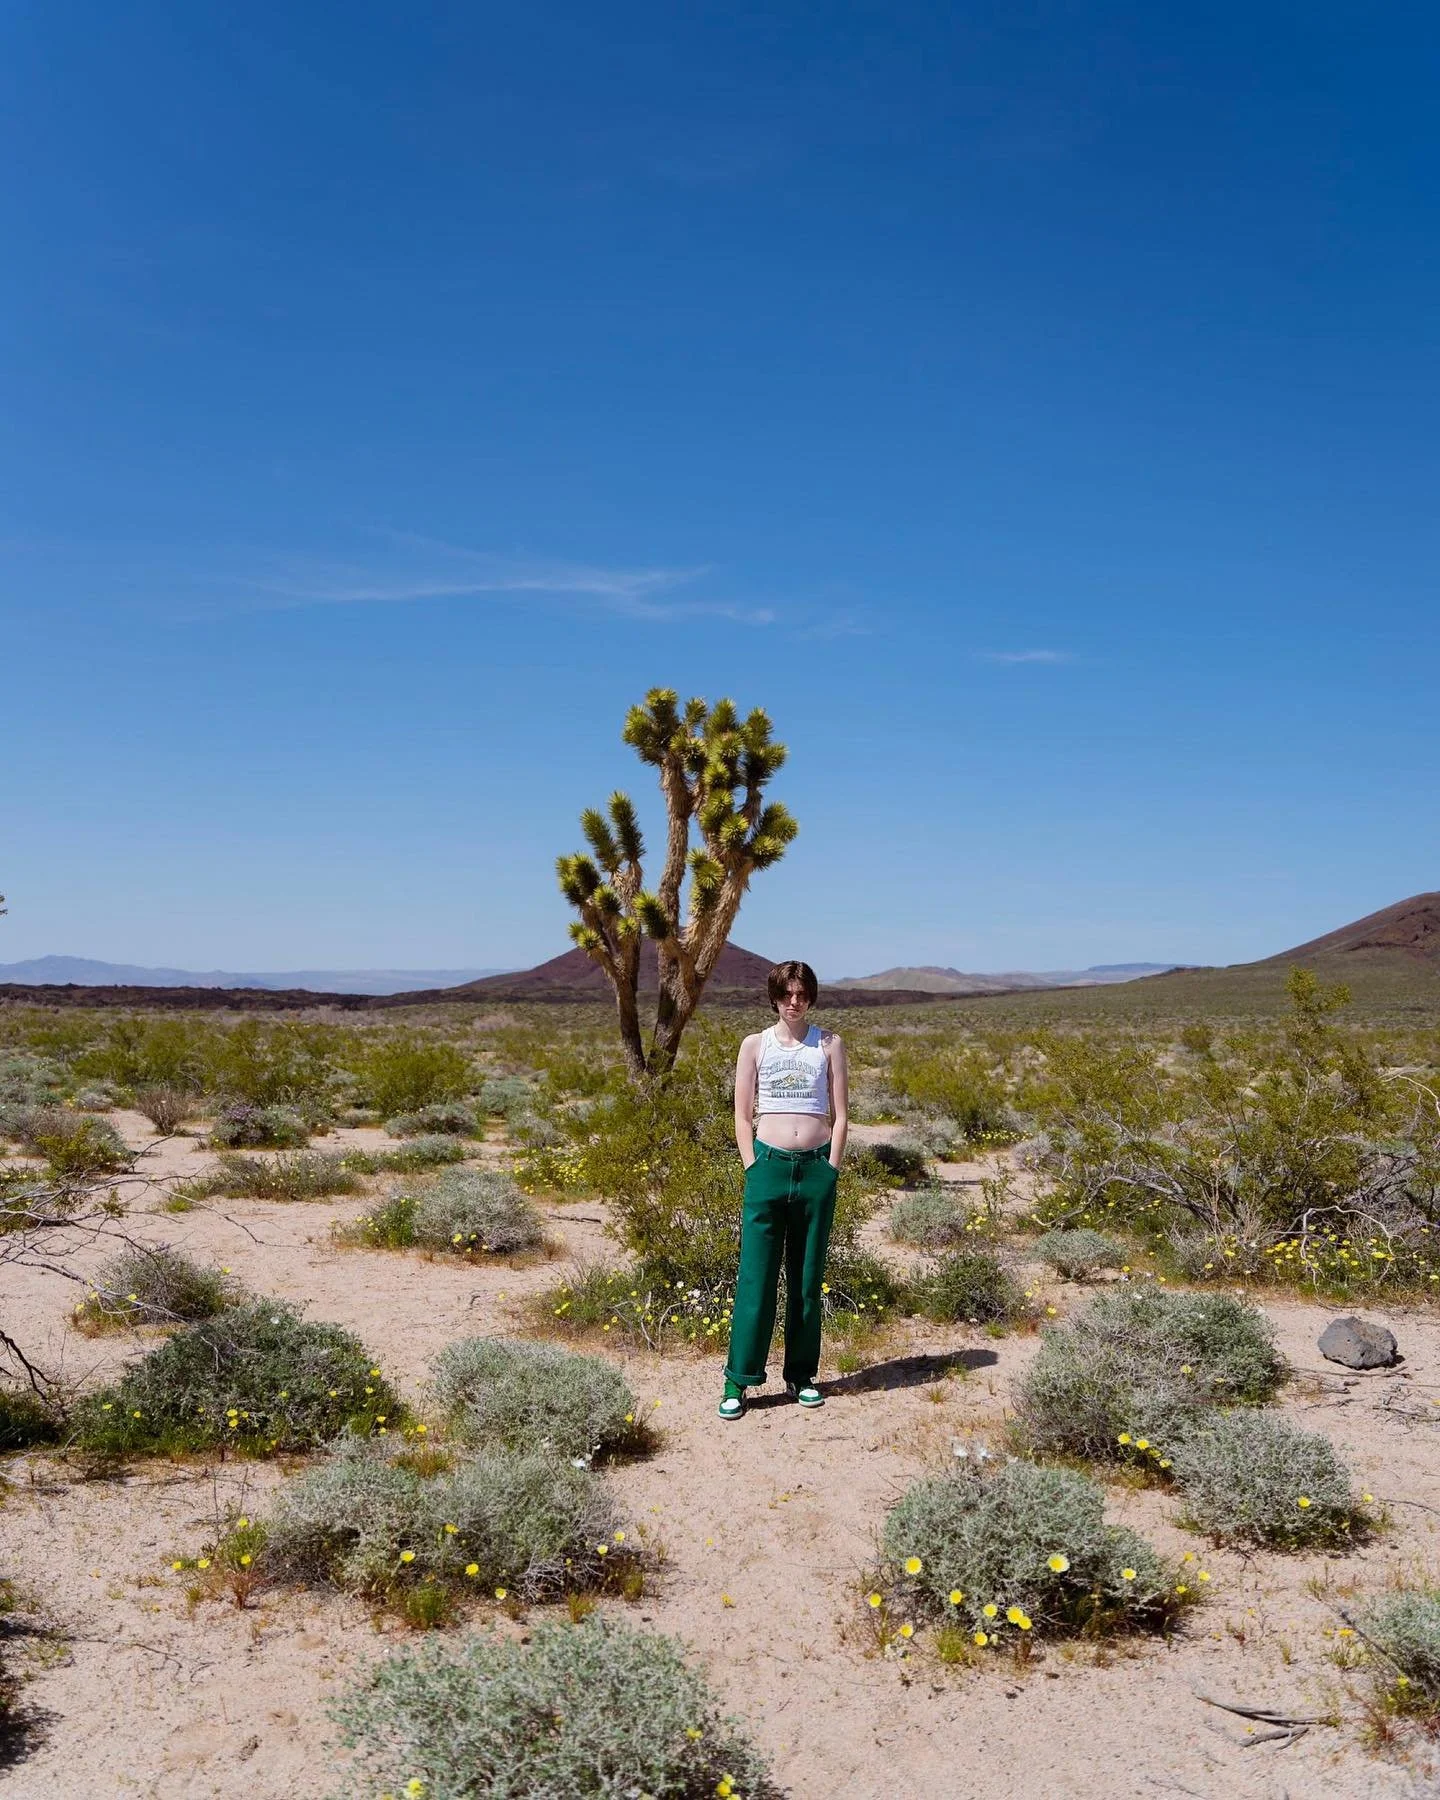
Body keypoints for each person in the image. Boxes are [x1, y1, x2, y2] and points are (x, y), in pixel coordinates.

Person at [718, 959, 849, 1420]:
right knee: (756, 1277)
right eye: (787, 994)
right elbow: (741, 1113)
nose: (794, 1002)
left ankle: (801, 1375)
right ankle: (739, 1380)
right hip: (768, 1168)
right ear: (774, 997)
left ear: (811, 996)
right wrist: (752, 1165)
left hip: (815, 1170)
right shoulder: (755, 1045)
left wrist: (831, 1168)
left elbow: (841, 1115)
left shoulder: (829, 1044)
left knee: (807, 1279)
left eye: (802, 994)